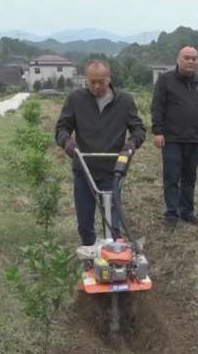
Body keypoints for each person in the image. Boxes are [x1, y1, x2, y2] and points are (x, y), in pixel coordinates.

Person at [55, 59, 146, 246]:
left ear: (109, 79)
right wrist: (67, 142)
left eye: (101, 82)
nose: (96, 86)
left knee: (112, 219)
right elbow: (62, 128)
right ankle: (90, 253)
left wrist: (131, 144)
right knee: (85, 223)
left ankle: (114, 255)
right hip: (84, 169)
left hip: (112, 170)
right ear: (86, 80)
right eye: (92, 82)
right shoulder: (76, 99)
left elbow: (139, 129)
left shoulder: (124, 101)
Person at [151, 46, 198, 229]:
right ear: (178, 59)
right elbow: (157, 107)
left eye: (194, 58)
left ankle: (187, 211)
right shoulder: (165, 81)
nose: (191, 62)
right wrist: (158, 131)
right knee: (172, 177)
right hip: (172, 139)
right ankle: (171, 213)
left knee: (189, 177)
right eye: (187, 58)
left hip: (193, 139)